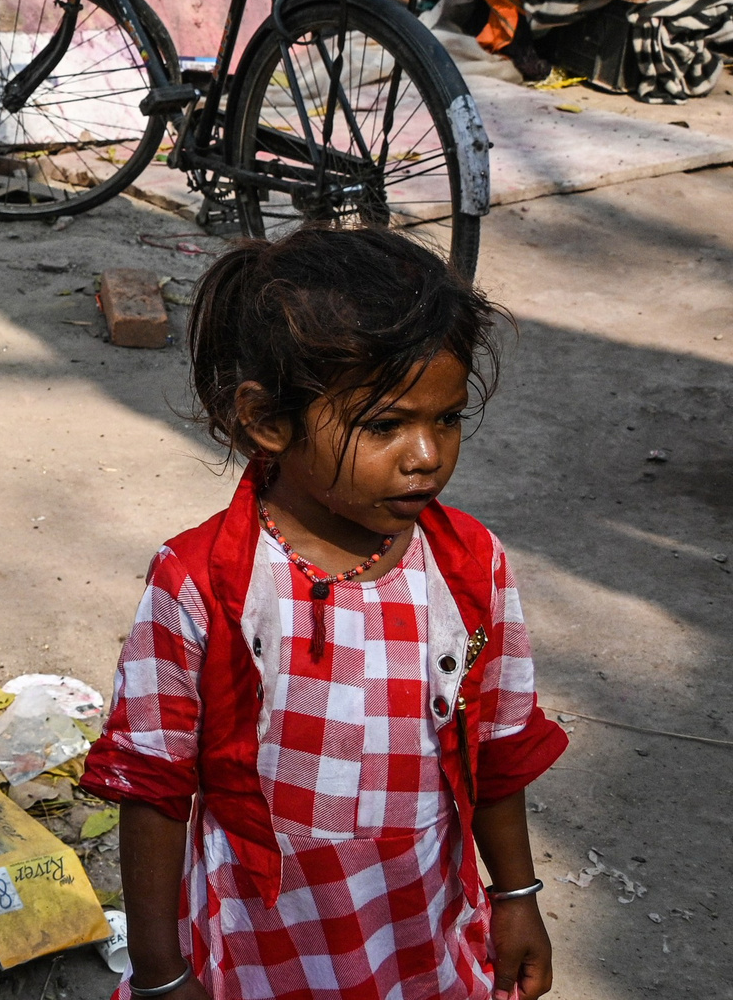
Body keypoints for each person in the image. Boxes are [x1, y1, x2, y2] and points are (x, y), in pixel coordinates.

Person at [82, 226, 565, 1000]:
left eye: (447, 419)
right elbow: (153, 785)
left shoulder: (469, 566)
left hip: (416, 930)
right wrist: (162, 972)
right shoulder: (206, 581)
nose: (426, 454)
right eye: (384, 425)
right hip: (262, 937)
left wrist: (515, 895)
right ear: (268, 421)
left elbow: (497, 746)